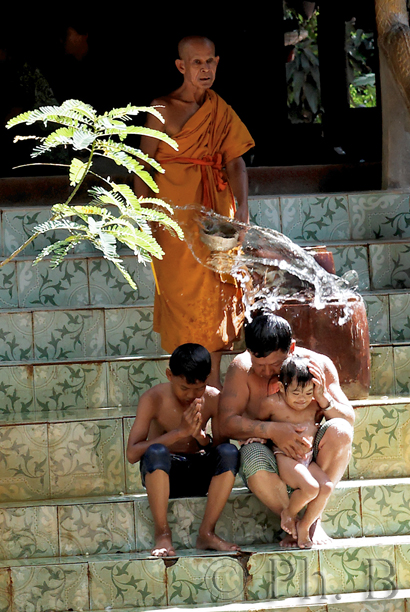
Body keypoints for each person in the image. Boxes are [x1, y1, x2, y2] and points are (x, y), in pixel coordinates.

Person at [133, 35, 255, 388]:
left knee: (216, 303)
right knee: (182, 304)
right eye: (196, 63)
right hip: (173, 224)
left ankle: (214, 410)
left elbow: (236, 161)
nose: (205, 69)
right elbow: (142, 167)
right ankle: (186, 399)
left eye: (210, 62)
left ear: (217, 62)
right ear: (181, 66)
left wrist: (241, 214)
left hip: (215, 222)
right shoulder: (161, 108)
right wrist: (146, 220)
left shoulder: (220, 109)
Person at [218, 312, 355, 547]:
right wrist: (272, 431)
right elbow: (225, 422)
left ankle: (312, 519)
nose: (264, 371)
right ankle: (291, 521)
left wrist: (322, 399)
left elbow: (348, 418)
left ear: (291, 348)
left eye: (273, 364)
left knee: (341, 431)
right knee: (250, 455)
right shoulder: (241, 368)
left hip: (309, 455)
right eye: (257, 363)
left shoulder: (317, 365)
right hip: (270, 456)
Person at [126, 342, 240, 557]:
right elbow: (132, 454)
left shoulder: (214, 397)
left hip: (200, 473)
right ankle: (162, 534)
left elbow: (219, 448)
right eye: (184, 388)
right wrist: (179, 433)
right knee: (156, 451)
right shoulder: (153, 399)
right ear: (169, 375)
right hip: (165, 475)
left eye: (199, 388)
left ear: (208, 378)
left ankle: (206, 533)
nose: (191, 395)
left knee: (229, 452)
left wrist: (200, 438)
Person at [259, 355, 334, 548]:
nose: (302, 399)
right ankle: (289, 514)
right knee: (311, 488)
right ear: (281, 388)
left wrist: (322, 396)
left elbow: (343, 418)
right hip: (286, 458)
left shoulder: (315, 404)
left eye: (308, 393)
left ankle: (305, 525)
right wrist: (259, 437)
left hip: (308, 458)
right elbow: (256, 424)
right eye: (296, 393)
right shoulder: (271, 403)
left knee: (326, 486)